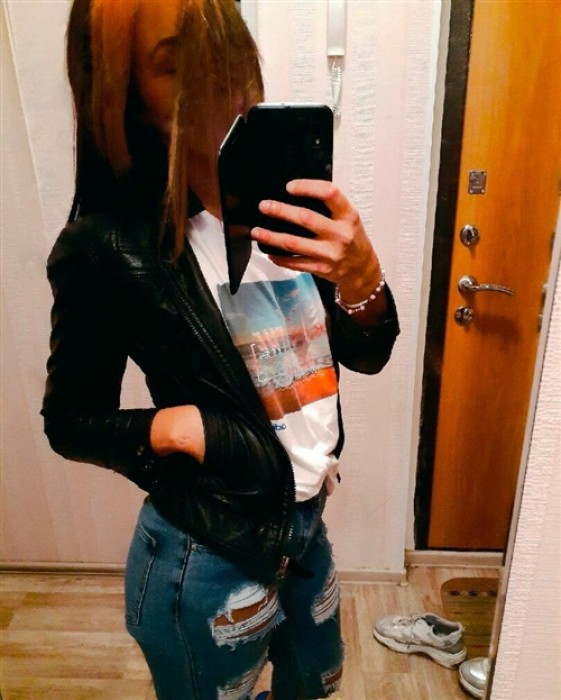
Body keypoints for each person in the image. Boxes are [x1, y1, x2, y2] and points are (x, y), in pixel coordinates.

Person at [42, 0, 399, 698]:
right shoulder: (106, 246)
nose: (221, 78)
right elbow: (71, 422)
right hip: (204, 552)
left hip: (303, 524)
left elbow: (365, 356)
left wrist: (362, 282)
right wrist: (184, 427)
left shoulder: (283, 202)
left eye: (223, 46)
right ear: (125, 95)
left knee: (317, 681)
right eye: (176, 64)